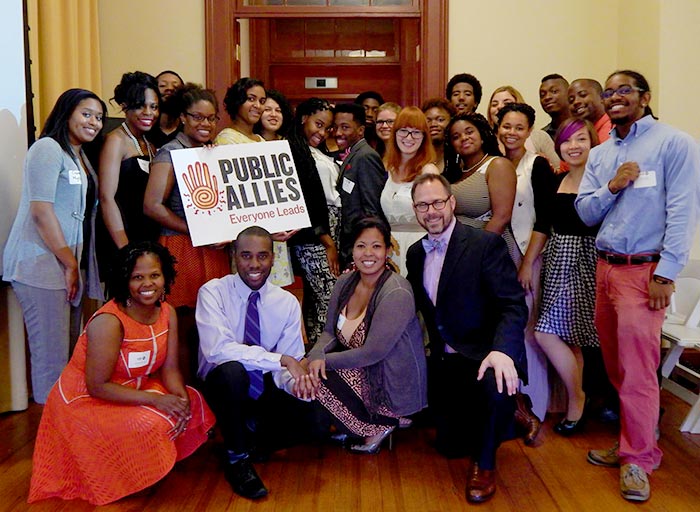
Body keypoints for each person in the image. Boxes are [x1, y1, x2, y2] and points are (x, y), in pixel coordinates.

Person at [576, 70, 700, 502]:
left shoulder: (673, 143)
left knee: (638, 373)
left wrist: (666, 273)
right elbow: (586, 212)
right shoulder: (602, 153)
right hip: (605, 268)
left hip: (645, 273)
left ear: (645, 97)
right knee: (617, 368)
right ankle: (635, 442)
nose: (614, 97)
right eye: (608, 92)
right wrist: (613, 184)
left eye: (624, 90)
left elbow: (684, 212)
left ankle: (638, 459)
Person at [28, 242, 215, 505]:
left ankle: (144, 467)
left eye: (154, 275)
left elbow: (170, 368)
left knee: (192, 401)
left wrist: (179, 400)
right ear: (124, 279)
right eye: (137, 277)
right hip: (87, 400)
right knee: (149, 423)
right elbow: (97, 386)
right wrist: (158, 400)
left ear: (166, 277)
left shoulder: (168, 312)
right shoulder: (109, 321)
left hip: (135, 387)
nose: (147, 283)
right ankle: (124, 475)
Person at [406, 173, 528, 504]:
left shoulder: (484, 244)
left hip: (484, 354)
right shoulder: (415, 254)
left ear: (452, 203)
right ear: (415, 209)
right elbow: (413, 303)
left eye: (437, 202)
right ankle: (510, 419)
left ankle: (486, 464)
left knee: (496, 385)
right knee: (449, 446)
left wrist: (503, 351)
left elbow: (513, 305)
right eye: (422, 205)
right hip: (446, 359)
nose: (431, 211)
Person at [196, 226, 324, 500]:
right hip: (222, 384)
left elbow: (284, 373)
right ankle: (237, 459)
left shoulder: (286, 302)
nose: (254, 264)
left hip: (263, 385)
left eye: (262, 256)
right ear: (233, 255)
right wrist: (282, 360)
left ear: (273, 258)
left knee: (319, 416)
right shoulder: (213, 292)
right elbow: (217, 351)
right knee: (233, 372)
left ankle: (248, 438)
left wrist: (298, 385)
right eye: (246, 256)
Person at [3, 89, 106, 404]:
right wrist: (69, 263)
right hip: (41, 266)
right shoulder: (47, 148)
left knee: (65, 354)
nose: (94, 122)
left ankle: (62, 433)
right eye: (86, 113)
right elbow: (41, 212)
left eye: (99, 117)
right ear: (67, 112)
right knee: (51, 359)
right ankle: (49, 443)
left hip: (64, 265)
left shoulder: (77, 154)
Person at [305, 217, 427, 453]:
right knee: (307, 368)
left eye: (377, 246)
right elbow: (329, 331)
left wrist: (317, 362)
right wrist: (316, 354)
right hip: (360, 369)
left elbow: (373, 353)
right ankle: (350, 422)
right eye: (361, 246)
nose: (368, 253)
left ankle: (379, 425)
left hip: (389, 385)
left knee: (315, 376)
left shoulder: (397, 291)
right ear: (352, 250)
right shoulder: (345, 282)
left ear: (388, 251)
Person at [144, 83, 230, 381]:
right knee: (182, 322)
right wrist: (196, 231)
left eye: (211, 118)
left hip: (214, 249)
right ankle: (185, 391)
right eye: (197, 117)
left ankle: (209, 391)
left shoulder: (212, 152)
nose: (205, 124)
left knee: (213, 321)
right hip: (182, 246)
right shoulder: (170, 153)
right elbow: (153, 206)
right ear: (183, 117)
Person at [496, 102, 559, 433]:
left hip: (526, 255)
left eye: (519, 127)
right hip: (498, 257)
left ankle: (534, 401)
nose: (512, 133)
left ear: (529, 131)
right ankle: (508, 401)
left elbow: (544, 220)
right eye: (507, 126)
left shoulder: (537, 166)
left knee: (528, 328)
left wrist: (527, 264)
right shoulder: (493, 164)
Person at [535, 117, 600, 436]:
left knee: (546, 333)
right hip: (557, 259)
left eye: (581, 140)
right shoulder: (557, 179)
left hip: (586, 261)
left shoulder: (601, 181)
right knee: (570, 338)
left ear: (593, 143)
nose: (573, 146)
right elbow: (544, 225)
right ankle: (576, 406)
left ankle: (578, 398)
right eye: (567, 141)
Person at [216, 80, 294, 287]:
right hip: (247, 241)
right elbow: (233, 199)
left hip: (273, 238)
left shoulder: (261, 140)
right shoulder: (227, 139)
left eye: (261, 100)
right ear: (237, 102)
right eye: (251, 99)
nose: (258, 106)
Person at [286, 98, 341, 344]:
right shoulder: (293, 148)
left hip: (329, 230)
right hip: (314, 235)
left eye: (327, 128)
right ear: (302, 117)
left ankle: (317, 357)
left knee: (319, 300)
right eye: (318, 124)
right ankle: (323, 359)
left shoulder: (317, 151)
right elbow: (307, 200)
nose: (322, 132)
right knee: (328, 299)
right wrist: (327, 241)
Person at [98, 72, 161, 274]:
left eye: (154, 107)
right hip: (124, 238)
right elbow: (106, 198)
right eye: (140, 105)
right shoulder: (116, 140)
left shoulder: (150, 144)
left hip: (149, 239)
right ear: (124, 105)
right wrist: (126, 250)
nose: (148, 112)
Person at [443, 113, 516, 253]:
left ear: (482, 136)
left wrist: (475, 252)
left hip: (488, 250)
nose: (464, 138)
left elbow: (502, 217)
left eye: (469, 132)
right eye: (456, 137)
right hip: (458, 248)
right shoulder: (455, 173)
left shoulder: (497, 165)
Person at [380, 106, 439, 275]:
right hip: (389, 249)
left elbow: (438, 217)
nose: (409, 137)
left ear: (424, 137)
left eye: (416, 132)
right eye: (403, 131)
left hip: (421, 246)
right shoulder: (387, 168)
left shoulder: (428, 171)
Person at [334, 103, 387, 267]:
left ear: (360, 130)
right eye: (335, 127)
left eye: (345, 127)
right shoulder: (354, 154)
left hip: (358, 246)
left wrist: (366, 249)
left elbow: (372, 208)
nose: (338, 133)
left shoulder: (366, 157)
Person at [486, 85, 560, 169]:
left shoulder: (539, 137)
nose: (499, 107)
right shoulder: (485, 141)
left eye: (507, 103)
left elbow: (559, 169)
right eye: (494, 104)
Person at [568, 78, 612, 143]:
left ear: (602, 97)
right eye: (571, 100)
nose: (576, 102)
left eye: (583, 95)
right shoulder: (579, 134)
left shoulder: (614, 129)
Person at [150, 70, 184, 148]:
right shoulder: (144, 128)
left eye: (175, 86)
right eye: (162, 85)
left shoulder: (189, 130)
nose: (169, 88)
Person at [421, 97, 455, 174]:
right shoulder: (416, 156)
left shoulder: (458, 157)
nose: (433, 124)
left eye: (440, 120)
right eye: (428, 120)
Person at [539, 74, 571, 140]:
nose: (547, 97)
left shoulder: (586, 127)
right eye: (542, 95)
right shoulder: (543, 136)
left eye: (554, 91)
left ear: (569, 93)